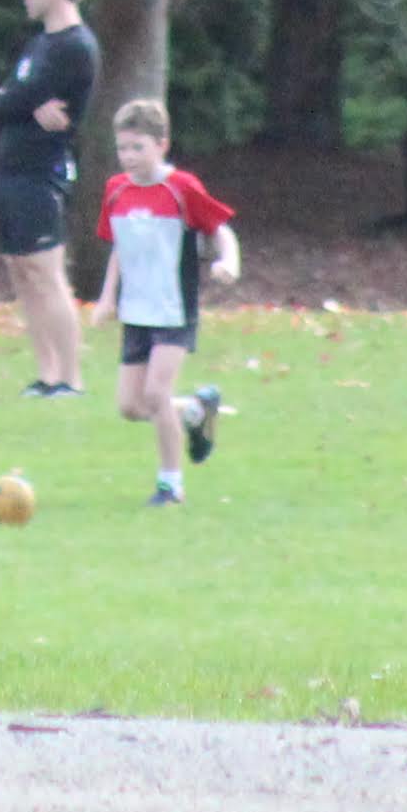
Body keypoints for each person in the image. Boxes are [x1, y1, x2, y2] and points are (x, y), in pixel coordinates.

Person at [85, 98, 238, 506]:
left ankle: (171, 485)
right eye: (123, 148)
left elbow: (221, 228)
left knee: (155, 394)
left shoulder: (181, 188)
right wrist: (106, 298)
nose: (129, 157)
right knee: (131, 406)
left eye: (139, 147)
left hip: (173, 310)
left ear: (162, 145)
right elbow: (121, 247)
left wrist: (229, 260)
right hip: (137, 312)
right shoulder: (116, 191)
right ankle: (195, 412)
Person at [0, 0, 101, 397]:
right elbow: (7, 100)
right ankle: (46, 373)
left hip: (42, 171)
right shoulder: (38, 45)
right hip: (12, 168)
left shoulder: (75, 46)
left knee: (46, 271)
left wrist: (12, 101)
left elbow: (15, 99)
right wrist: (12, 101)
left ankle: (70, 378)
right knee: (20, 268)